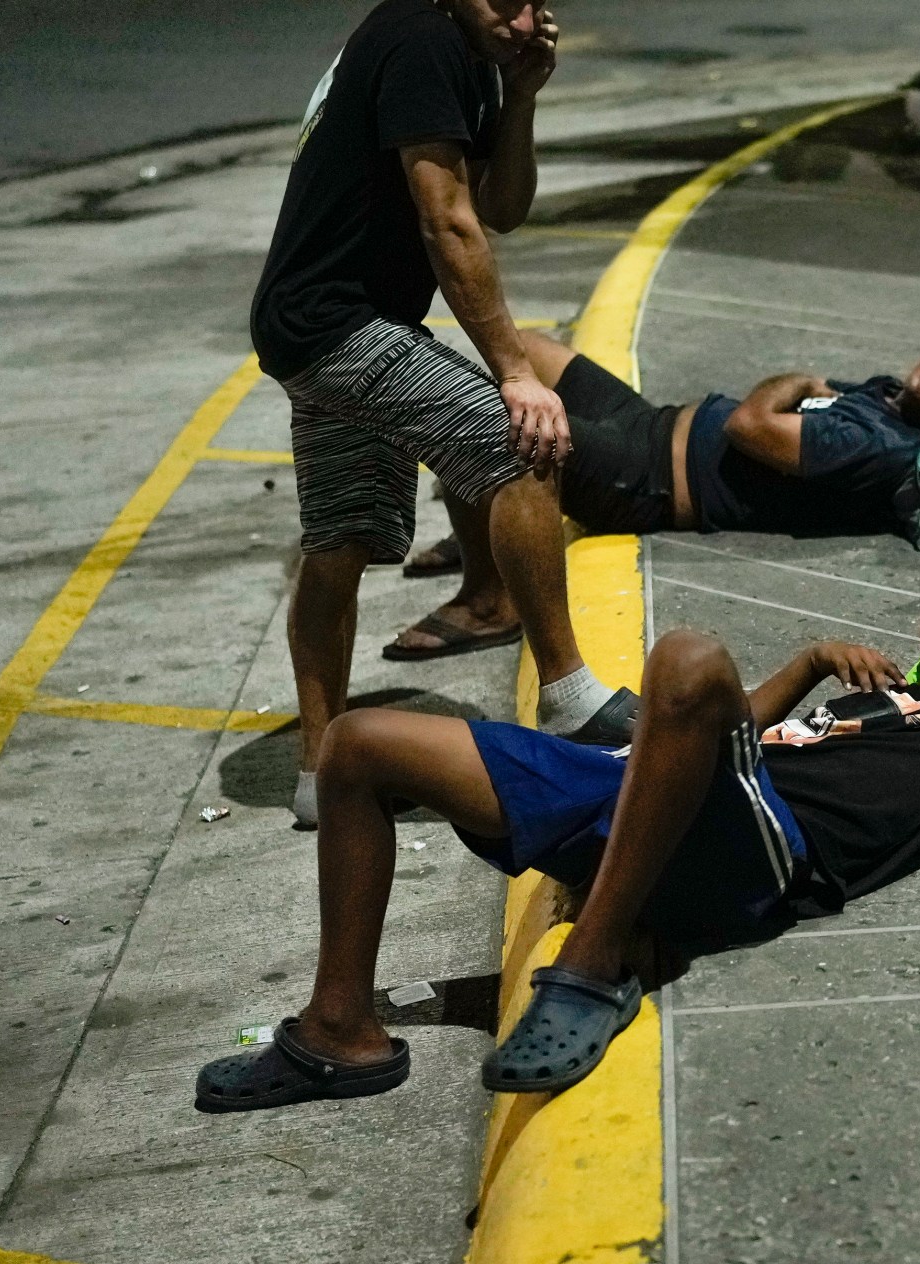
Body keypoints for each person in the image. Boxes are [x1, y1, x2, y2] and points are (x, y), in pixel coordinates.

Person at [194, 551, 920, 1110]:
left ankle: (593, 962)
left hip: (768, 844)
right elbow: (690, 733)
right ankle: (339, 1035)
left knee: (686, 655)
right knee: (362, 743)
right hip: (647, 793)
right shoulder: (873, 696)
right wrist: (801, 666)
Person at [248, 0, 636, 833]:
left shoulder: (464, 49)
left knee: (342, 539)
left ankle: (323, 776)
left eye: (537, 2)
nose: (525, 17)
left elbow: (501, 205)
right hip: (339, 321)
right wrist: (513, 373)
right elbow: (446, 219)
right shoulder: (424, 36)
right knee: (522, 442)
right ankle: (570, 695)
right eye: (506, 0)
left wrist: (522, 92)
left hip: (318, 320)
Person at [395, 329, 920, 578]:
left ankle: (489, 598)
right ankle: (486, 526)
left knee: (484, 420)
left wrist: (798, 382)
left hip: (646, 480)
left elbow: (751, 426)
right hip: (647, 422)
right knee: (520, 348)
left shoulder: (880, 444)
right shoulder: (887, 398)